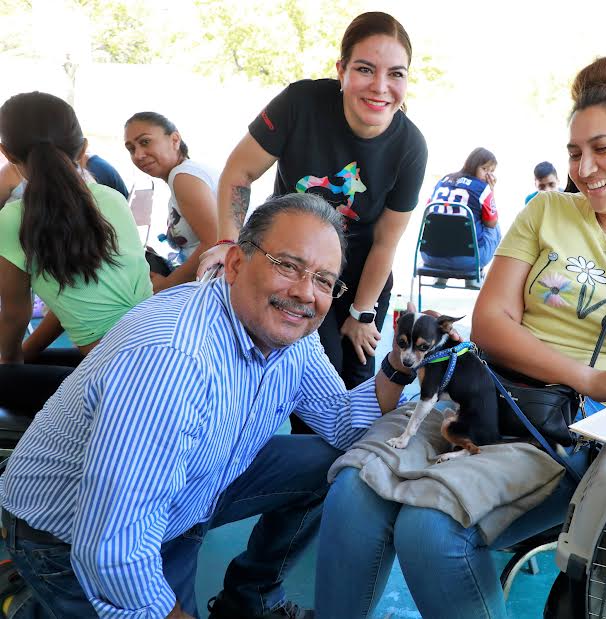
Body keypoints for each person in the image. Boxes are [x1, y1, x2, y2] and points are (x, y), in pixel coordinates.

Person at [313, 56, 606, 619]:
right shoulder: (545, 211)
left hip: (561, 431)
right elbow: (491, 324)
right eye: (574, 152)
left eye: (602, 147)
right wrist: (590, 373)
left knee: (432, 528)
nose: (585, 167)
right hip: (472, 393)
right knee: (352, 492)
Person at [0, 192, 419, 619]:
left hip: (187, 493)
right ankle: (36, 602)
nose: (305, 293)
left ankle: (249, 598)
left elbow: (341, 421)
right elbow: (113, 544)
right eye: (288, 266)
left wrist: (405, 362)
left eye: (324, 280)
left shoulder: (293, 334)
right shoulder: (175, 360)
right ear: (236, 264)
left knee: (335, 461)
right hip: (67, 534)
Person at [197, 11, 427, 426]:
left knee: (356, 375)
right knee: (305, 378)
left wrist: (362, 314)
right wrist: (229, 243)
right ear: (341, 71)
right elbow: (239, 173)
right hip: (291, 265)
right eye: (364, 69)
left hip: (360, 278)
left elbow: (385, 242)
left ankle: (339, 480)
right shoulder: (300, 103)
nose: (379, 87)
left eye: (396, 74)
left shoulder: (411, 146)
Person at [0, 92, 152, 409]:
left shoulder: (14, 220)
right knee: (36, 361)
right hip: (157, 360)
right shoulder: (112, 200)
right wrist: (24, 362)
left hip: (119, 385)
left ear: (6, 154)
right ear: (83, 149)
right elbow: (72, 300)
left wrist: (11, 370)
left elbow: (15, 318)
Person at [125, 111, 219, 292]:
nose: (138, 155)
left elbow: (215, 243)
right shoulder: (186, 174)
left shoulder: (183, 177)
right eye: (131, 149)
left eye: (145, 142)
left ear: (175, 140)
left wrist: (166, 286)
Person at [421, 147, 501, 287]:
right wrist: (491, 191)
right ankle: (473, 277)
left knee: (452, 217)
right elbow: (491, 223)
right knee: (493, 223)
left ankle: (441, 275)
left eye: (491, 171)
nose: (488, 175)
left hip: (430, 256)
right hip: (468, 260)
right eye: (485, 169)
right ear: (473, 165)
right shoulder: (482, 188)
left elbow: (428, 212)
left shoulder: (443, 180)